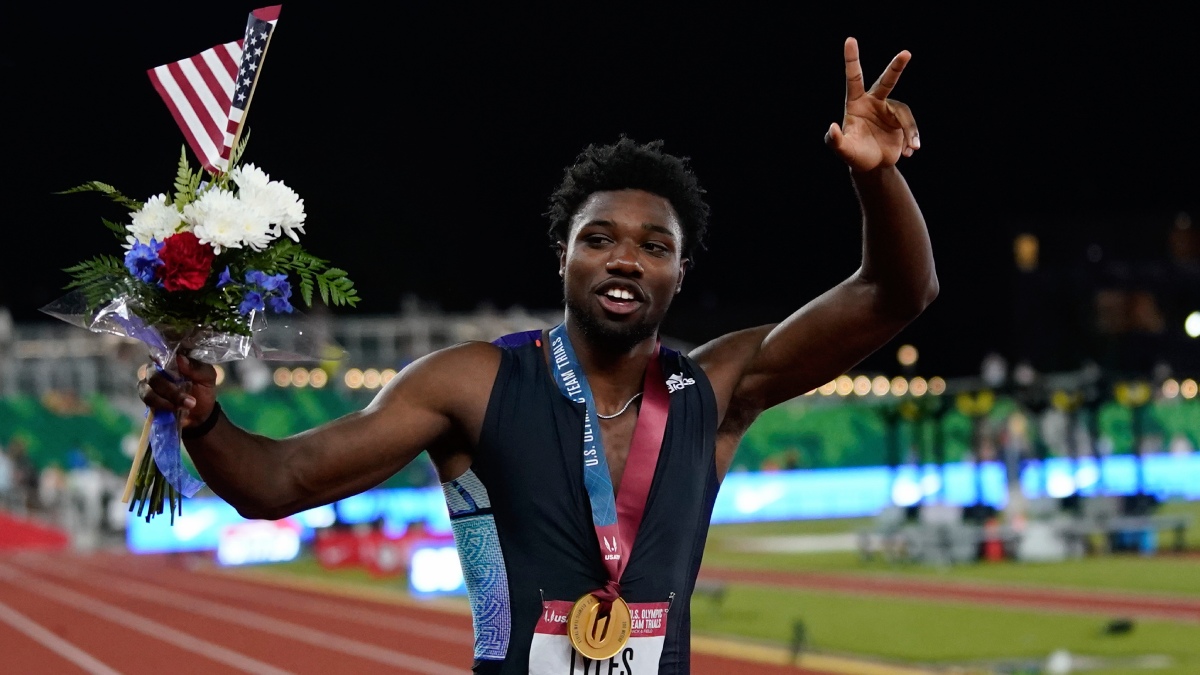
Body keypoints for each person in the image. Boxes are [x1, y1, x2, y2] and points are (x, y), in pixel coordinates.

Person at [140, 37, 936, 674]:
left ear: (680, 272)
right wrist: (205, 419)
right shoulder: (473, 383)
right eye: (600, 238)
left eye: (655, 246)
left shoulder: (716, 387)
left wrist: (878, 180)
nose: (626, 260)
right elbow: (279, 482)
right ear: (563, 256)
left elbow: (895, 294)